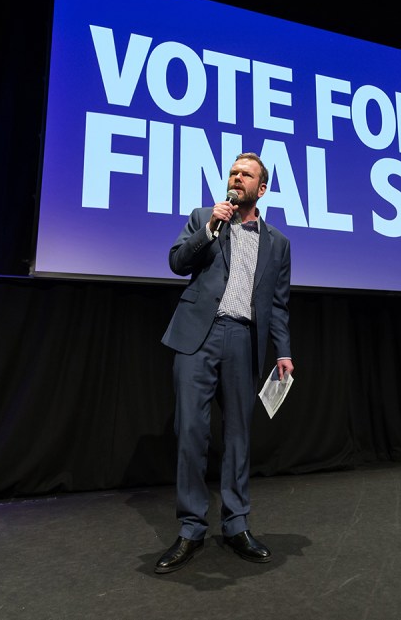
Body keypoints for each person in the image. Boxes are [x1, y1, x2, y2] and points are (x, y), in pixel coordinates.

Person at [155, 152, 294, 574]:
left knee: (237, 437)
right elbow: (178, 262)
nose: (236, 177)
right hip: (198, 335)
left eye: (245, 174)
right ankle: (191, 528)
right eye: (233, 172)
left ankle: (236, 525)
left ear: (261, 188)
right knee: (191, 433)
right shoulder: (205, 217)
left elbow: (279, 305)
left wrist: (283, 350)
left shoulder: (279, 243)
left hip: (243, 339)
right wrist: (211, 229)